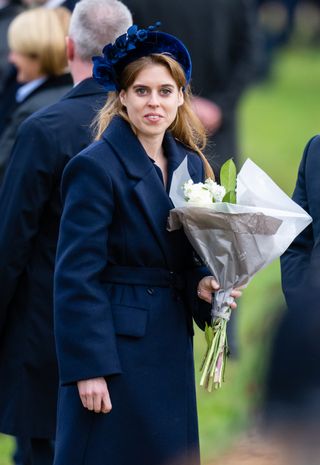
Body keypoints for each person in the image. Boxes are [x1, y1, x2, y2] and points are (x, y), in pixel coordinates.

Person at [53, 23, 241, 465]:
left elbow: (183, 259)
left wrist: (203, 285)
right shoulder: (95, 168)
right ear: (122, 97)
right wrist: (89, 369)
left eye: (164, 91)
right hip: (115, 351)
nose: (153, 102)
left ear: (181, 96)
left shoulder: (191, 165)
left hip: (168, 345)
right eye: (141, 91)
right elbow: (76, 275)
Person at [0, 1, 132, 464]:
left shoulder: (46, 129)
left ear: (69, 46)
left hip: (47, 329)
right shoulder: (149, 127)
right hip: (131, 330)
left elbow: (11, 238)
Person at [123, 0, 258, 173]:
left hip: (212, 128)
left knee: (215, 191)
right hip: (156, 125)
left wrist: (221, 106)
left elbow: (247, 50)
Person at [0, 6, 72, 181]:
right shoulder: (20, 87)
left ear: (38, 55)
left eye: (18, 51)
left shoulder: (37, 108)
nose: (11, 58)